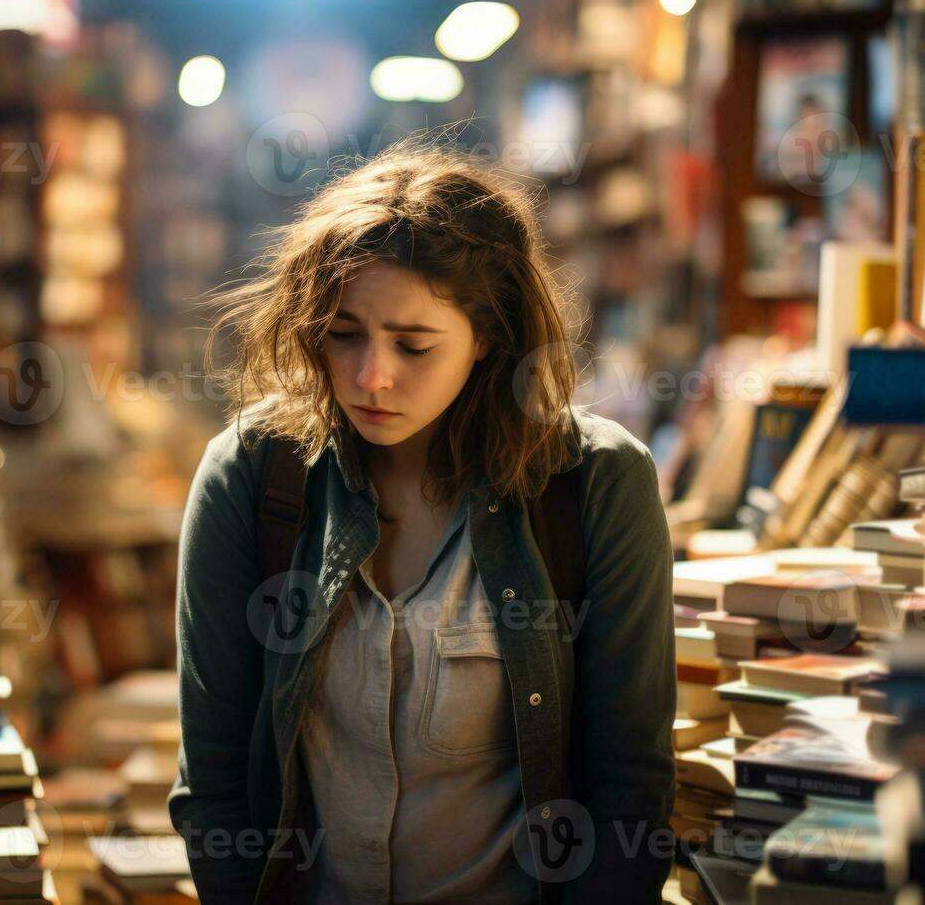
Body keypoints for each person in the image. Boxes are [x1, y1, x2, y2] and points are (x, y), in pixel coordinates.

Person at [169, 141, 676, 904]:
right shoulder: (250, 477)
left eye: (414, 344)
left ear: (490, 339)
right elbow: (212, 782)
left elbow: (629, 786)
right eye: (344, 334)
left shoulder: (595, 484)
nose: (372, 375)